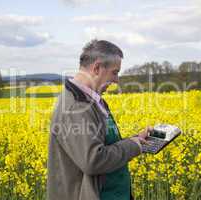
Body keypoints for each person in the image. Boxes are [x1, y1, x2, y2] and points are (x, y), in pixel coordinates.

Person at [47, 39, 152, 200]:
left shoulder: (93, 100)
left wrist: (136, 139)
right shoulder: (75, 106)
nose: (117, 80)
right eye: (115, 72)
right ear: (96, 68)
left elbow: (104, 144)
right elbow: (93, 160)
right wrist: (132, 146)